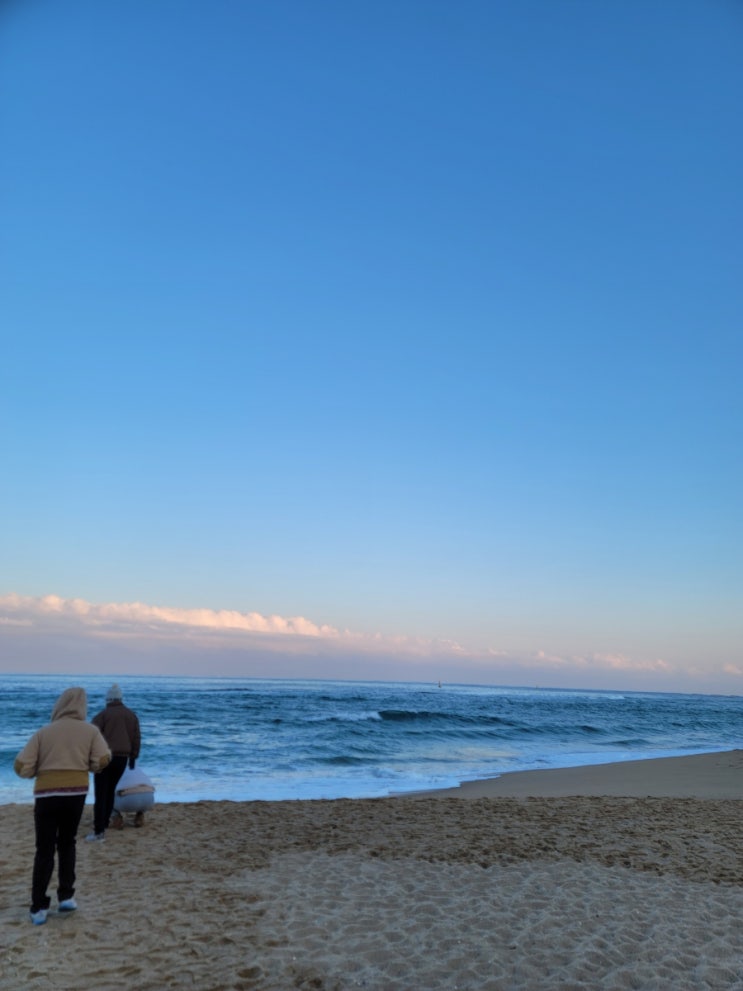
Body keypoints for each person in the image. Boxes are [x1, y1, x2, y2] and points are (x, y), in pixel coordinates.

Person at [14, 686, 111, 925]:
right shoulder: (90, 731)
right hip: (75, 794)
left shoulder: (44, 732)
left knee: (44, 849)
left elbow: (21, 765)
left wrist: (36, 772)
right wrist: (89, 766)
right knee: (67, 843)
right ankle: (66, 896)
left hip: (46, 795)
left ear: (59, 705)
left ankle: (38, 907)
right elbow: (103, 758)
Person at [87, 683, 141, 841]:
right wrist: (133, 757)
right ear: (120, 698)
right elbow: (136, 738)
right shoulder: (131, 715)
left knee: (100, 793)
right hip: (122, 759)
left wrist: (89, 758)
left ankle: (99, 830)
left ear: (108, 699)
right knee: (110, 791)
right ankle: (104, 823)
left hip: (104, 758)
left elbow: (91, 737)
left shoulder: (102, 715)